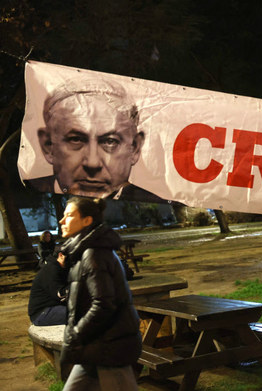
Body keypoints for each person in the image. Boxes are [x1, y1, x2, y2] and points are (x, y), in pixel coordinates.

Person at [25, 79, 162, 202]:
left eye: (110, 142)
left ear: (135, 148)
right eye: (76, 139)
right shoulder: (30, 191)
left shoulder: (153, 197)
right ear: (48, 146)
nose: (92, 163)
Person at [58, 197, 142, 390]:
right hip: (94, 346)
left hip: (109, 347)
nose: (62, 221)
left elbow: (104, 304)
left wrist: (76, 334)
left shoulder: (93, 254)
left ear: (87, 221)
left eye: (69, 215)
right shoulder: (83, 251)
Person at [27, 251, 68, 326]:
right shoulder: (51, 269)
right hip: (42, 312)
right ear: (61, 255)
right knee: (80, 314)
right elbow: (59, 294)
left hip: (52, 308)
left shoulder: (62, 268)